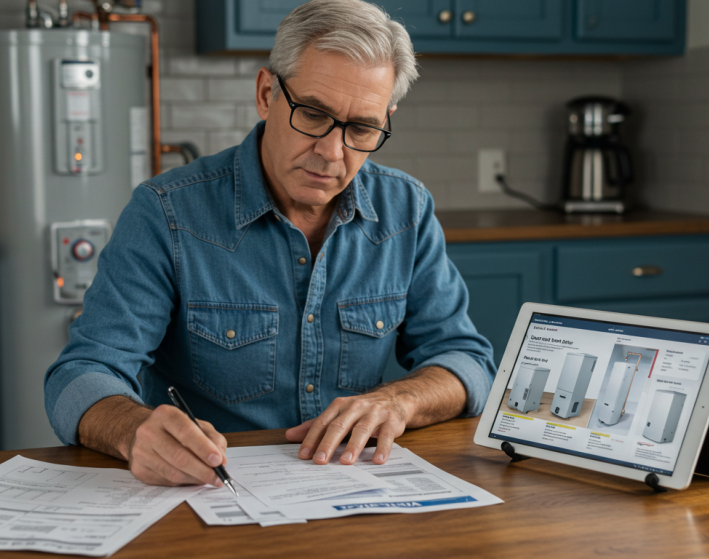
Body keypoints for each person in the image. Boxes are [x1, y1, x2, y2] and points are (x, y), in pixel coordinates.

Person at [44, 0, 496, 489]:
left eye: (361, 129)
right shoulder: (167, 213)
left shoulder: (407, 210)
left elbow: (466, 360)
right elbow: (81, 375)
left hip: (357, 489)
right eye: (313, 114)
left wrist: (399, 400)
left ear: (385, 121)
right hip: (214, 493)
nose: (331, 152)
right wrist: (134, 432)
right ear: (266, 94)